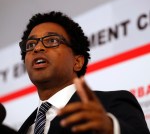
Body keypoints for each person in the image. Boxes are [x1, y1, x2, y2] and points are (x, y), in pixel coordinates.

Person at [18, 11, 149, 134]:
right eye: (30, 44)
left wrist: (110, 128)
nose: (37, 48)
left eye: (52, 41)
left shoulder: (112, 104)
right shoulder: (25, 128)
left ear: (77, 62)